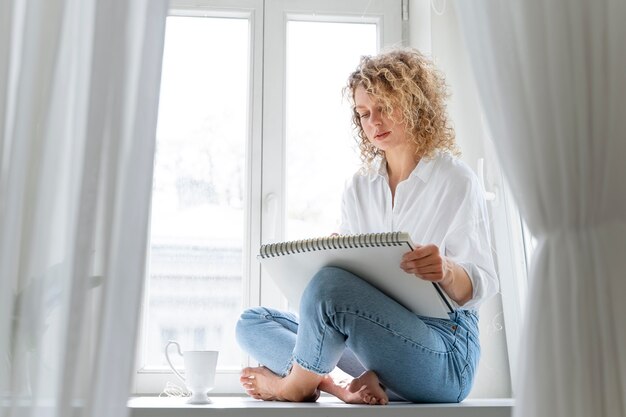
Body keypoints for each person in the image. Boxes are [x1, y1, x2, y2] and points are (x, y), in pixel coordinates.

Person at [235, 47, 498, 404]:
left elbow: (483, 284)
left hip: (446, 351)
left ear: (416, 105)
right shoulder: (359, 186)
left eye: (385, 109)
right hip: (372, 342)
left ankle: (292, 387)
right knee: (253, 321)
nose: (373, 122)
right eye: (363, 114)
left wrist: (447, 271)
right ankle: (341, 385)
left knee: (330, 287)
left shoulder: (455, 180)